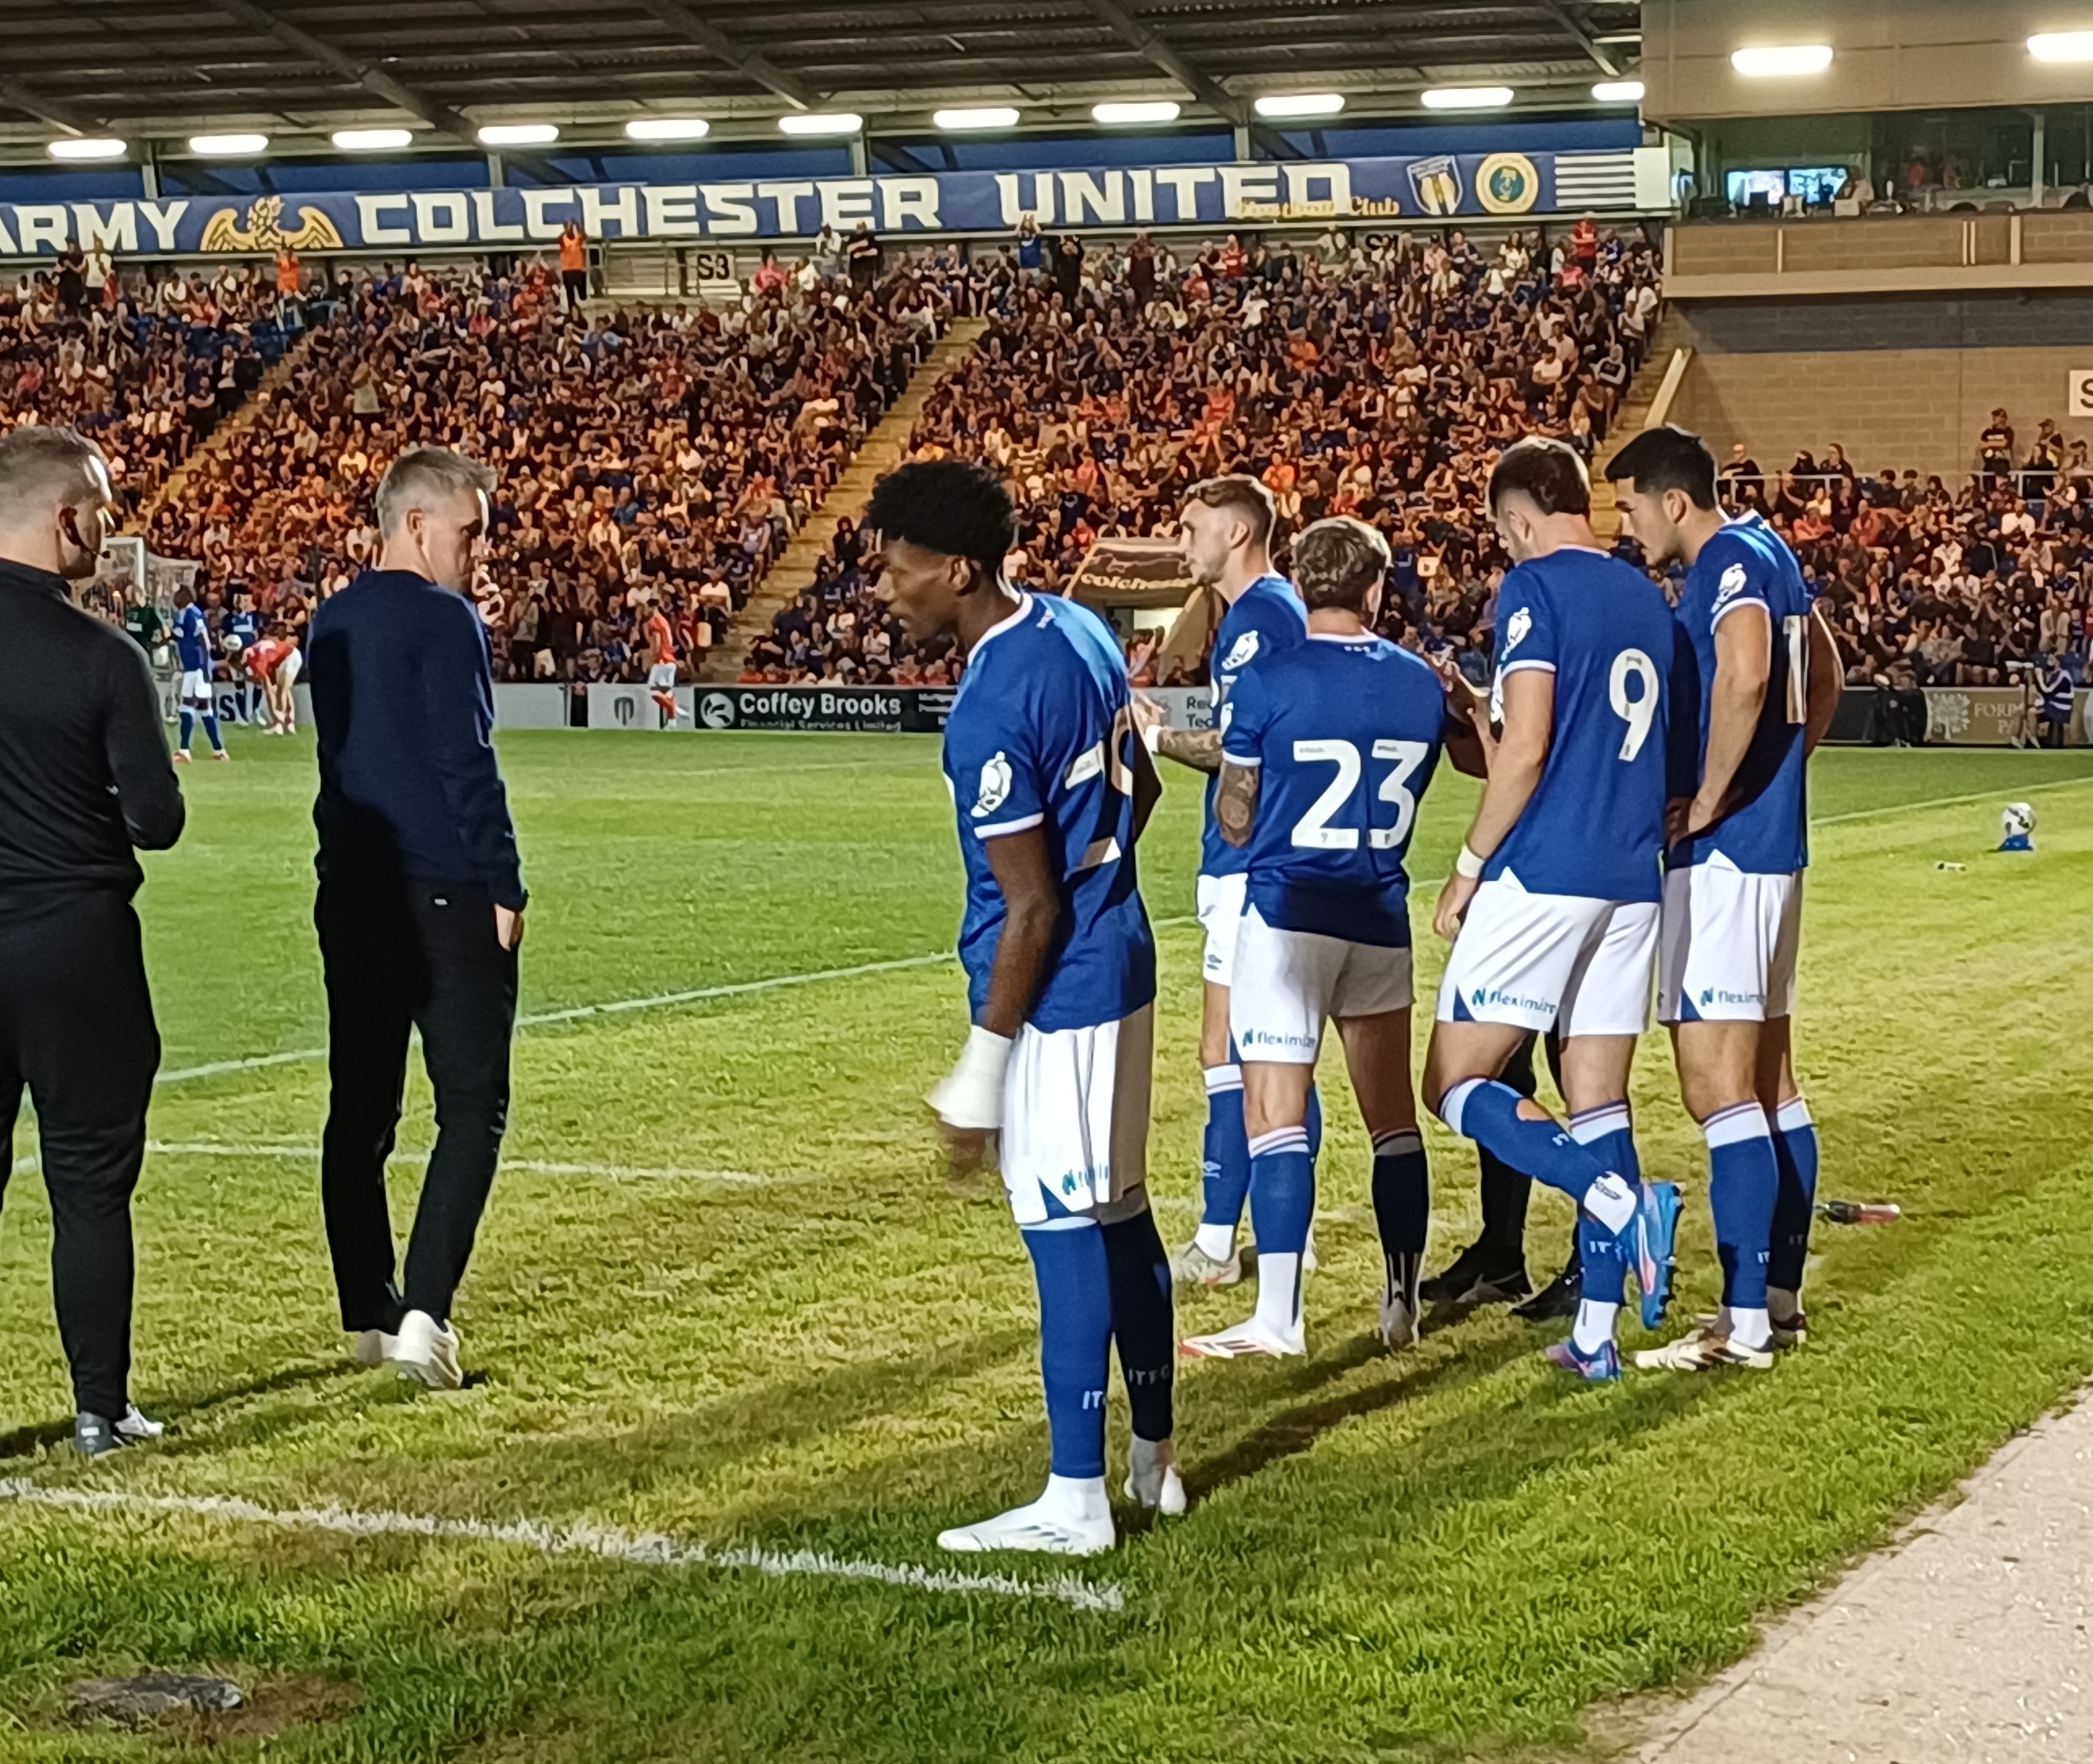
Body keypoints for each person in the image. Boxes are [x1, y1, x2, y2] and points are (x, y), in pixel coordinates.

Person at [868, 457, 1182, 1557]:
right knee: (1119, 1212)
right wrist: (1107, 886)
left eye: (898, 570)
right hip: (1123, 957)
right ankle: (1153, 1458)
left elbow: (1032, 908)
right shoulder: (1079, 629)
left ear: (956, 569)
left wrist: (983, 1062)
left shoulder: (990, 704)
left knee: (1062, 1232)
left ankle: (1074, 1497)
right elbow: (1140, 784)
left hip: (1066, 991)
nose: (886, 589)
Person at [1422, 438, 1683, 1384]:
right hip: (1629, 876)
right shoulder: (1646, 599)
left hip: (1546, 868)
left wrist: (1466, 866)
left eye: (1501, 531)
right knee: (1597, 1095)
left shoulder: (1531, 590)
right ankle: (1596, 1333)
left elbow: (1525, 749)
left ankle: (1617, 1202)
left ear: (1519, 517)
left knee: (1452, 1080)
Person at [1177, 518, 1463, 1361]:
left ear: (1300, 584)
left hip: (1287, 913)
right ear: (1375, 589)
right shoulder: (1420, 683)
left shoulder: (1268, 677)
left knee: (1275, 1114)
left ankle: (1278, 1317)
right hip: (1377, 911)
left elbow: (1234, 818)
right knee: (1391, 1122)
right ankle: (1401, 1297)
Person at [1606, 424, 1843, 1370]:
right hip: (1772, 851)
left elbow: (1748, 671)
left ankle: (1741, 1322)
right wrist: (1783, 769)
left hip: (1726, 861)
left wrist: (1708, 798)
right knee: (1771, 1082)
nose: (1625, 527)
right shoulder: (1773, 548)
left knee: (1716, 1090)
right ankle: (1777, 1299)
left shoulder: (1725, 561)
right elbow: (1820, 672)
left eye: (1628, 507)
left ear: (1673, 501)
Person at [307, 447, 527, 1391]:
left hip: (352, 891)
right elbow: (462, 761)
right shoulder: (446, 619)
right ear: (417, 524)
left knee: (360, 1108)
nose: (476, 554)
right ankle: (424, 1317)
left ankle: (367, 1309)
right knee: (472, 1105)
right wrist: (505, 886)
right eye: (470, 533)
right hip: (442, 887)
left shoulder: (333, 618)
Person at [0, 425, 186, 1455]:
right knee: (86, 1180)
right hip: (75, 939)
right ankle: (100, 1407)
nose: (109, 530)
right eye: (104, 511)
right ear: (66, 516)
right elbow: (156, 819)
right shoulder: (103, 655)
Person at [1133, 476, 1312, 1289]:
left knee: (1228, 1049)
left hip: (1248, 861)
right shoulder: (1270, 611)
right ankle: (1291, 1226)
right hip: (1267, 860)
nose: (1182, 540)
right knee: (1275, 1051)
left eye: (1192, 525)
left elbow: (1247, 744)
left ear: (1237, 532)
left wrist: (1158, 733)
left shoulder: (1258, 617)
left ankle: (1216, 1239)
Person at [170, 584, 228, 761]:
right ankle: (219, 751)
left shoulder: (188, 614)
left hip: (195, 668)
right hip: (200, 668)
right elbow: (203, 639)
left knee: (187, 707)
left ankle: (184, 751)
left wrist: (168, 631)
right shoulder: (196, 613)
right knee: (204, 710)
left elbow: (197, 639)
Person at [642, 591, 681, 727]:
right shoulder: (664, 620)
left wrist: (653, 659)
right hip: (671, 659)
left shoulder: (654, 622)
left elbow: (657, 642)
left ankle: (673, 710)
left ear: (650, 607)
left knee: (653, 692)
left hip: (662, 660)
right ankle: (672, 721)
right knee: (666, 692)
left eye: (645, 607)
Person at [558, 220, 590, 313]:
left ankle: (581, 307)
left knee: (583, 296)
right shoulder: (563, 240)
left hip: (579, 270)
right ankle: (572, 312)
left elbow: (584, 236)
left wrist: (579, 226)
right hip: (568, 271)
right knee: (570, 296)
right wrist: (566, 230)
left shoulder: (577, 239)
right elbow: (559, 239)